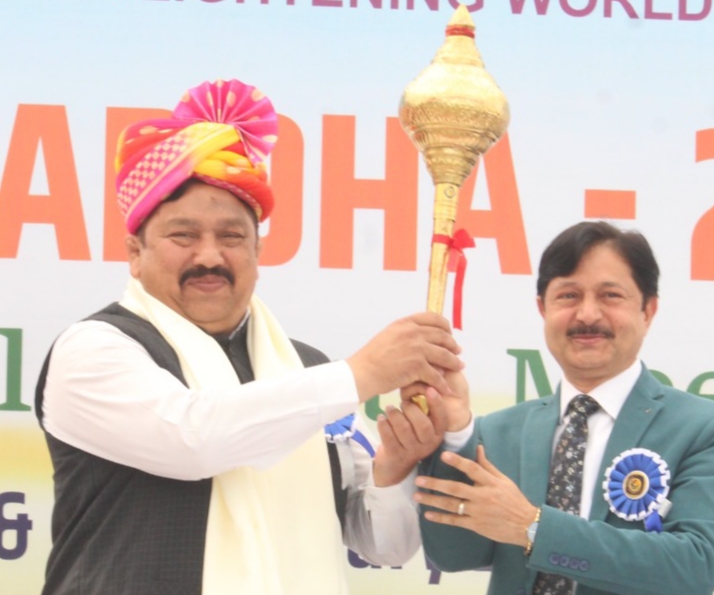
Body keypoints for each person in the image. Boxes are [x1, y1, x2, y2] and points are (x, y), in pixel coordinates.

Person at [34, 79, 462, 595]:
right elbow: (194, 439)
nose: (209, 256)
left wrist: (392, 469)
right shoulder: (94, 350)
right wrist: (363, 374)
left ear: (257, 252)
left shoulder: (306, 368)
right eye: (183, 235)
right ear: (134, 253)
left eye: (231, 236)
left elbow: (383, 546)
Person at [411, 221, 714, 595]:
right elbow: (453, 555)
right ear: (542, 309)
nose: (588, 315)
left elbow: (695, 568)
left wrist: (533, 526)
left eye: (610, 295)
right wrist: (457, 430)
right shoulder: (497, 432)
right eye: (568, 295)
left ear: (648, 310)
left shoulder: (710, 430)